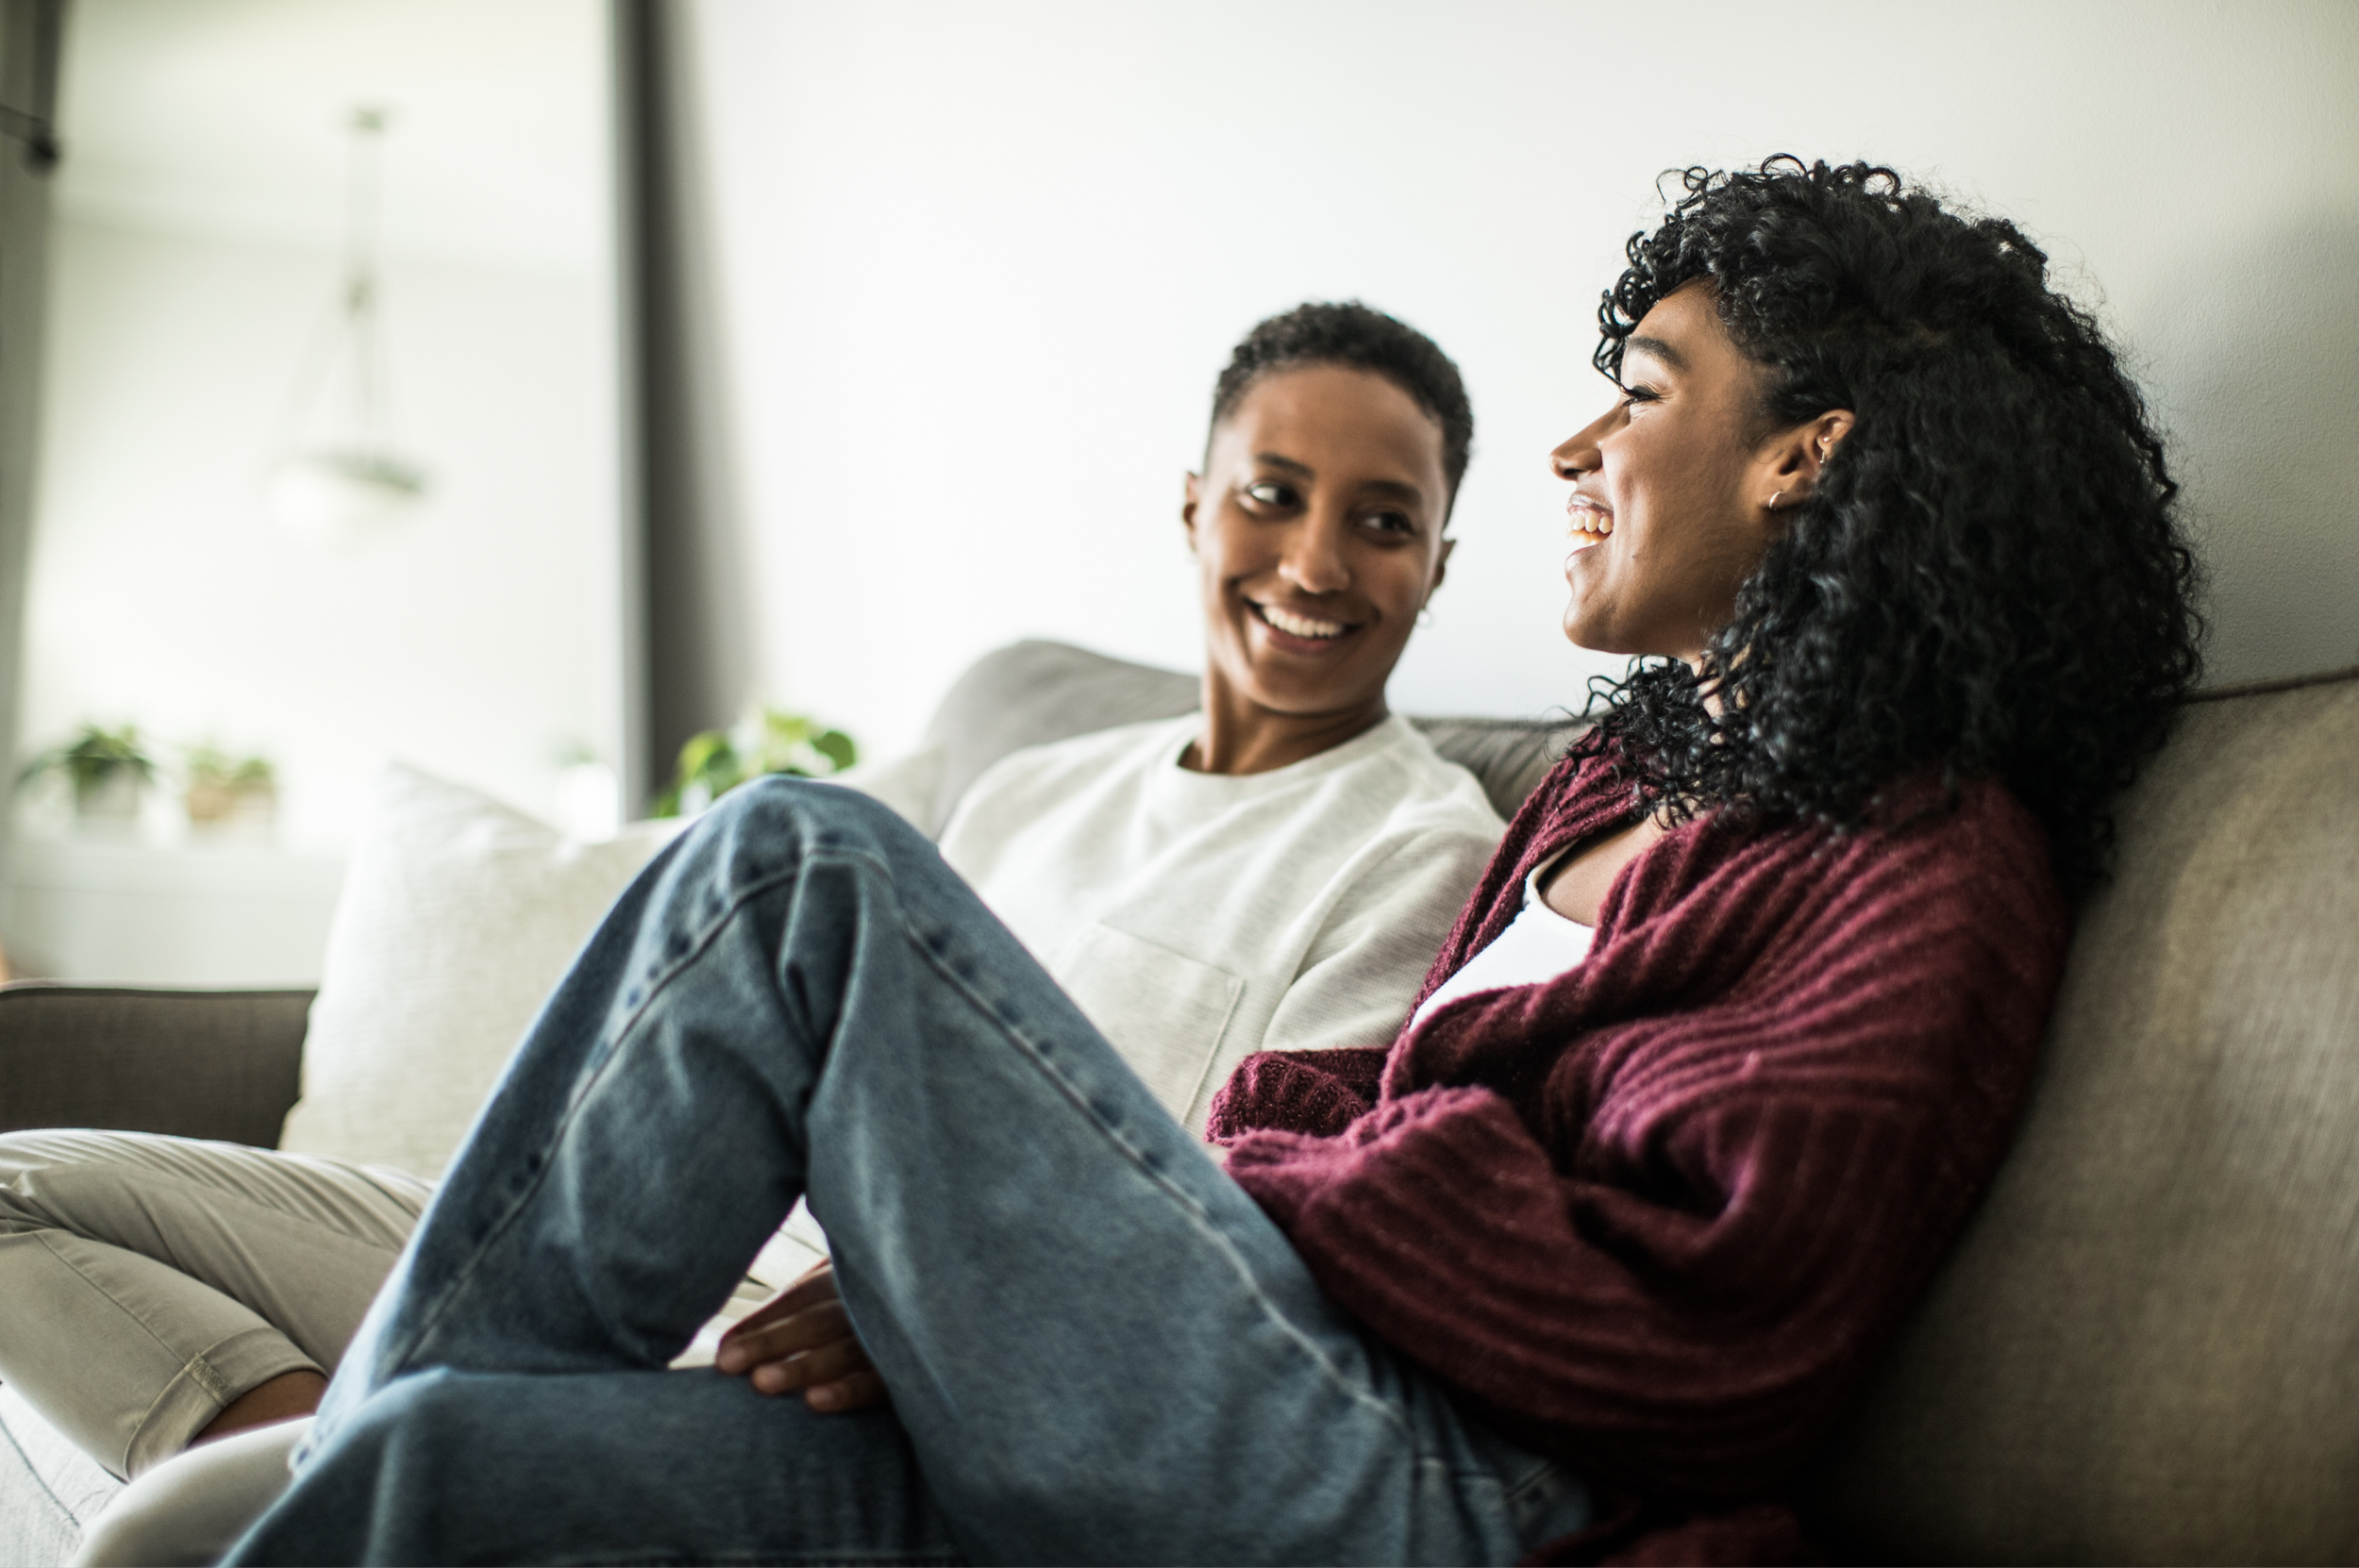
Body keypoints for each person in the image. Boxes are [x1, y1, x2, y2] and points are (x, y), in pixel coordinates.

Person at [201, 157, 2198, 1567]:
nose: (1584, 450)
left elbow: (1690, 1339)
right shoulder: (1612, 789)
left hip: (1436, 1500)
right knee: (448, 1470)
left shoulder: (1921, 868)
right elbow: (1355, 1120)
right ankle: (372, 1437)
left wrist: (1080, 1251)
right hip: (1256, 1400)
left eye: (1644, 392)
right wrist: (1010, 1285)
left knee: (792, 867)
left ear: (1805, 454)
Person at [0, 304, 1506, 1535]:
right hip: (695, 1217)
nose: (1316, 561)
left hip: (861, 1353)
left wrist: (933, 1285)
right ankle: (343, 1462)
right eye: (1272, 493)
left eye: (1383, 521)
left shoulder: (1423, 846)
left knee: (155, 1534)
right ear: (1194, 505)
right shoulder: (1038, 785)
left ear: (1437, 567)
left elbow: (1250, 1218)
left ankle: (343, 1481)